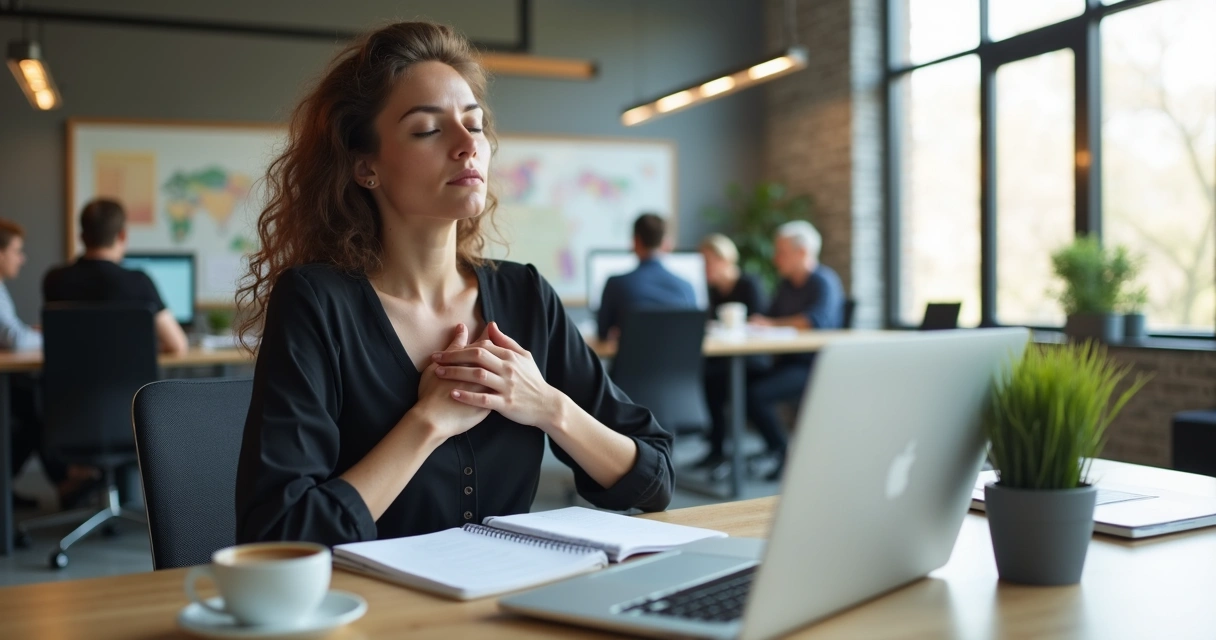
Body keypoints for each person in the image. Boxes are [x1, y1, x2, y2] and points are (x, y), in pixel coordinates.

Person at [233, 22, 674, 546]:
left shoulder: (525, 295)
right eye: (428, 130)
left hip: (509, 604)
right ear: (365, 166)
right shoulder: (315, 302)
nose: (469, 146)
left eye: (476, 124)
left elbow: (654, 481)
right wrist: (428, 421)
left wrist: (547, 406)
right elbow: (281, 535)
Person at [747, 220, 844, 481]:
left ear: (802, 252)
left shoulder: (824, 281)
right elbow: (768, 317)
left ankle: (784, 453)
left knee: (756, 394)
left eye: (781, 252)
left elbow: (815, 320)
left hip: (815, 365)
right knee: (737, 383)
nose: (776, 258)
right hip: (786, 362)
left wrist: (772, 324)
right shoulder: (786, 285)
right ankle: (779, 450)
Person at [43, 198, 189, 355]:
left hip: (68, 379)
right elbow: (177, 345)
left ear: (82, 237)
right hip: (131, 379)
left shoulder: (54, 279)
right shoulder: (139, 282)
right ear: (122, 235)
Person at [693, 233, 769, 474]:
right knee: (706, 378)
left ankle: (775, 447)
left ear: (724, 259)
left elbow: (759, 323)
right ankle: (717, 450)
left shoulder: (749, 284)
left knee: (717, 381)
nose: (704, 268)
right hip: (724, 356)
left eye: (707, 262)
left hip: (752, 357)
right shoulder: (711, 291)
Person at [596, 213, 697, 341]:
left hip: (632, 361)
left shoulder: (615, 284)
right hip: (681, 361)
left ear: (636, 241)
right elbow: (692, 334)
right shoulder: (686, 288)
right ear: (666, 243)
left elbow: (602, 333)